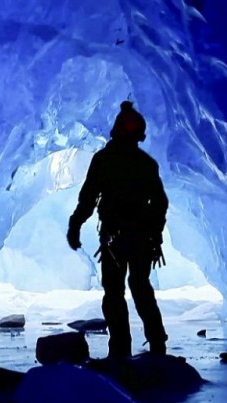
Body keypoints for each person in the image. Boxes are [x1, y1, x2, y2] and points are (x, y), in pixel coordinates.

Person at [67, 100, 169, 358]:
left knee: (114, 292)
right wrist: (155, 234)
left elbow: (88, 198)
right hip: (142, 238)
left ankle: (120, 348)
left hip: (114, 238)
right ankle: (157, 343)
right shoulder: (146, 164)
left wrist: (75, 225)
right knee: (141, 287)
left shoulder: (104, 161)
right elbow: (160, 203)